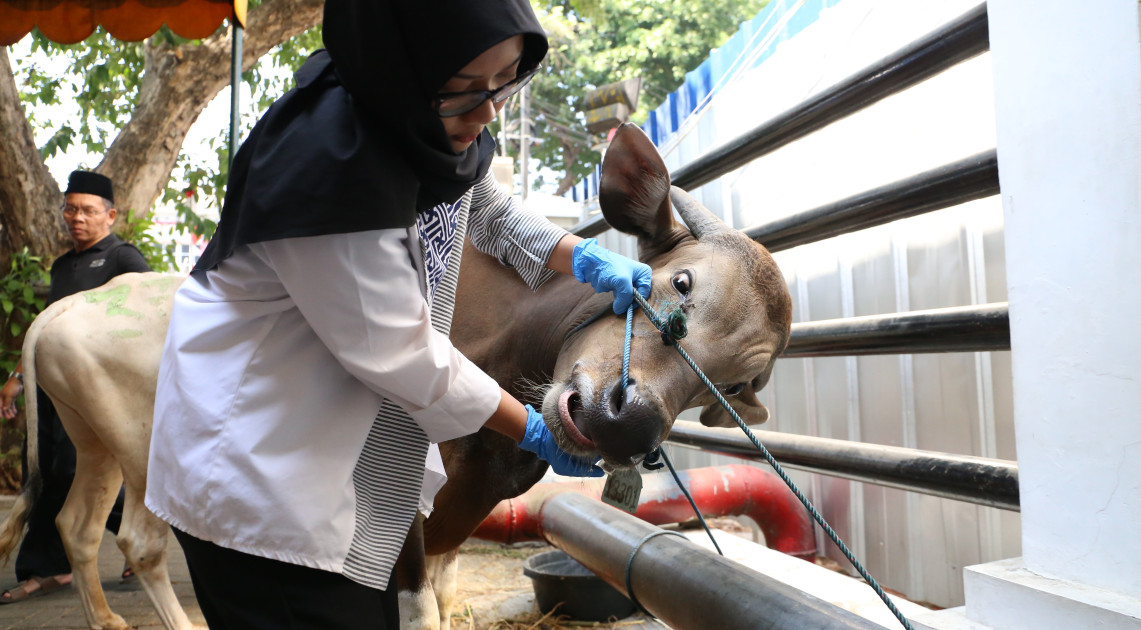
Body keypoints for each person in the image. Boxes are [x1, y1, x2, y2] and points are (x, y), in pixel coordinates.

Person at [142, 1, 652, 628]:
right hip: (259, 466)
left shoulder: (424, 123)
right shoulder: (332, 165)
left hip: (332, 447)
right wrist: (531, 428)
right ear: (399, 67)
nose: (488, 111)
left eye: (505, 82)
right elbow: (404, 354)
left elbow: (486, 209)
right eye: (464, 88)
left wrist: (583, 257)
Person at [0, 170, 151, 603]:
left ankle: (140, 533)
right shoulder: (63, 266)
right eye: (70, 209)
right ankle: (49, 569)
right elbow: (46, 329)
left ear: (110, 215)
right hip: (52, 387)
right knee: (44, 471)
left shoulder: (124, 259)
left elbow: (148, 317)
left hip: (95, 392)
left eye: (87, 210)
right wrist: (18, 378)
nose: (76, 218)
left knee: (71, 470)